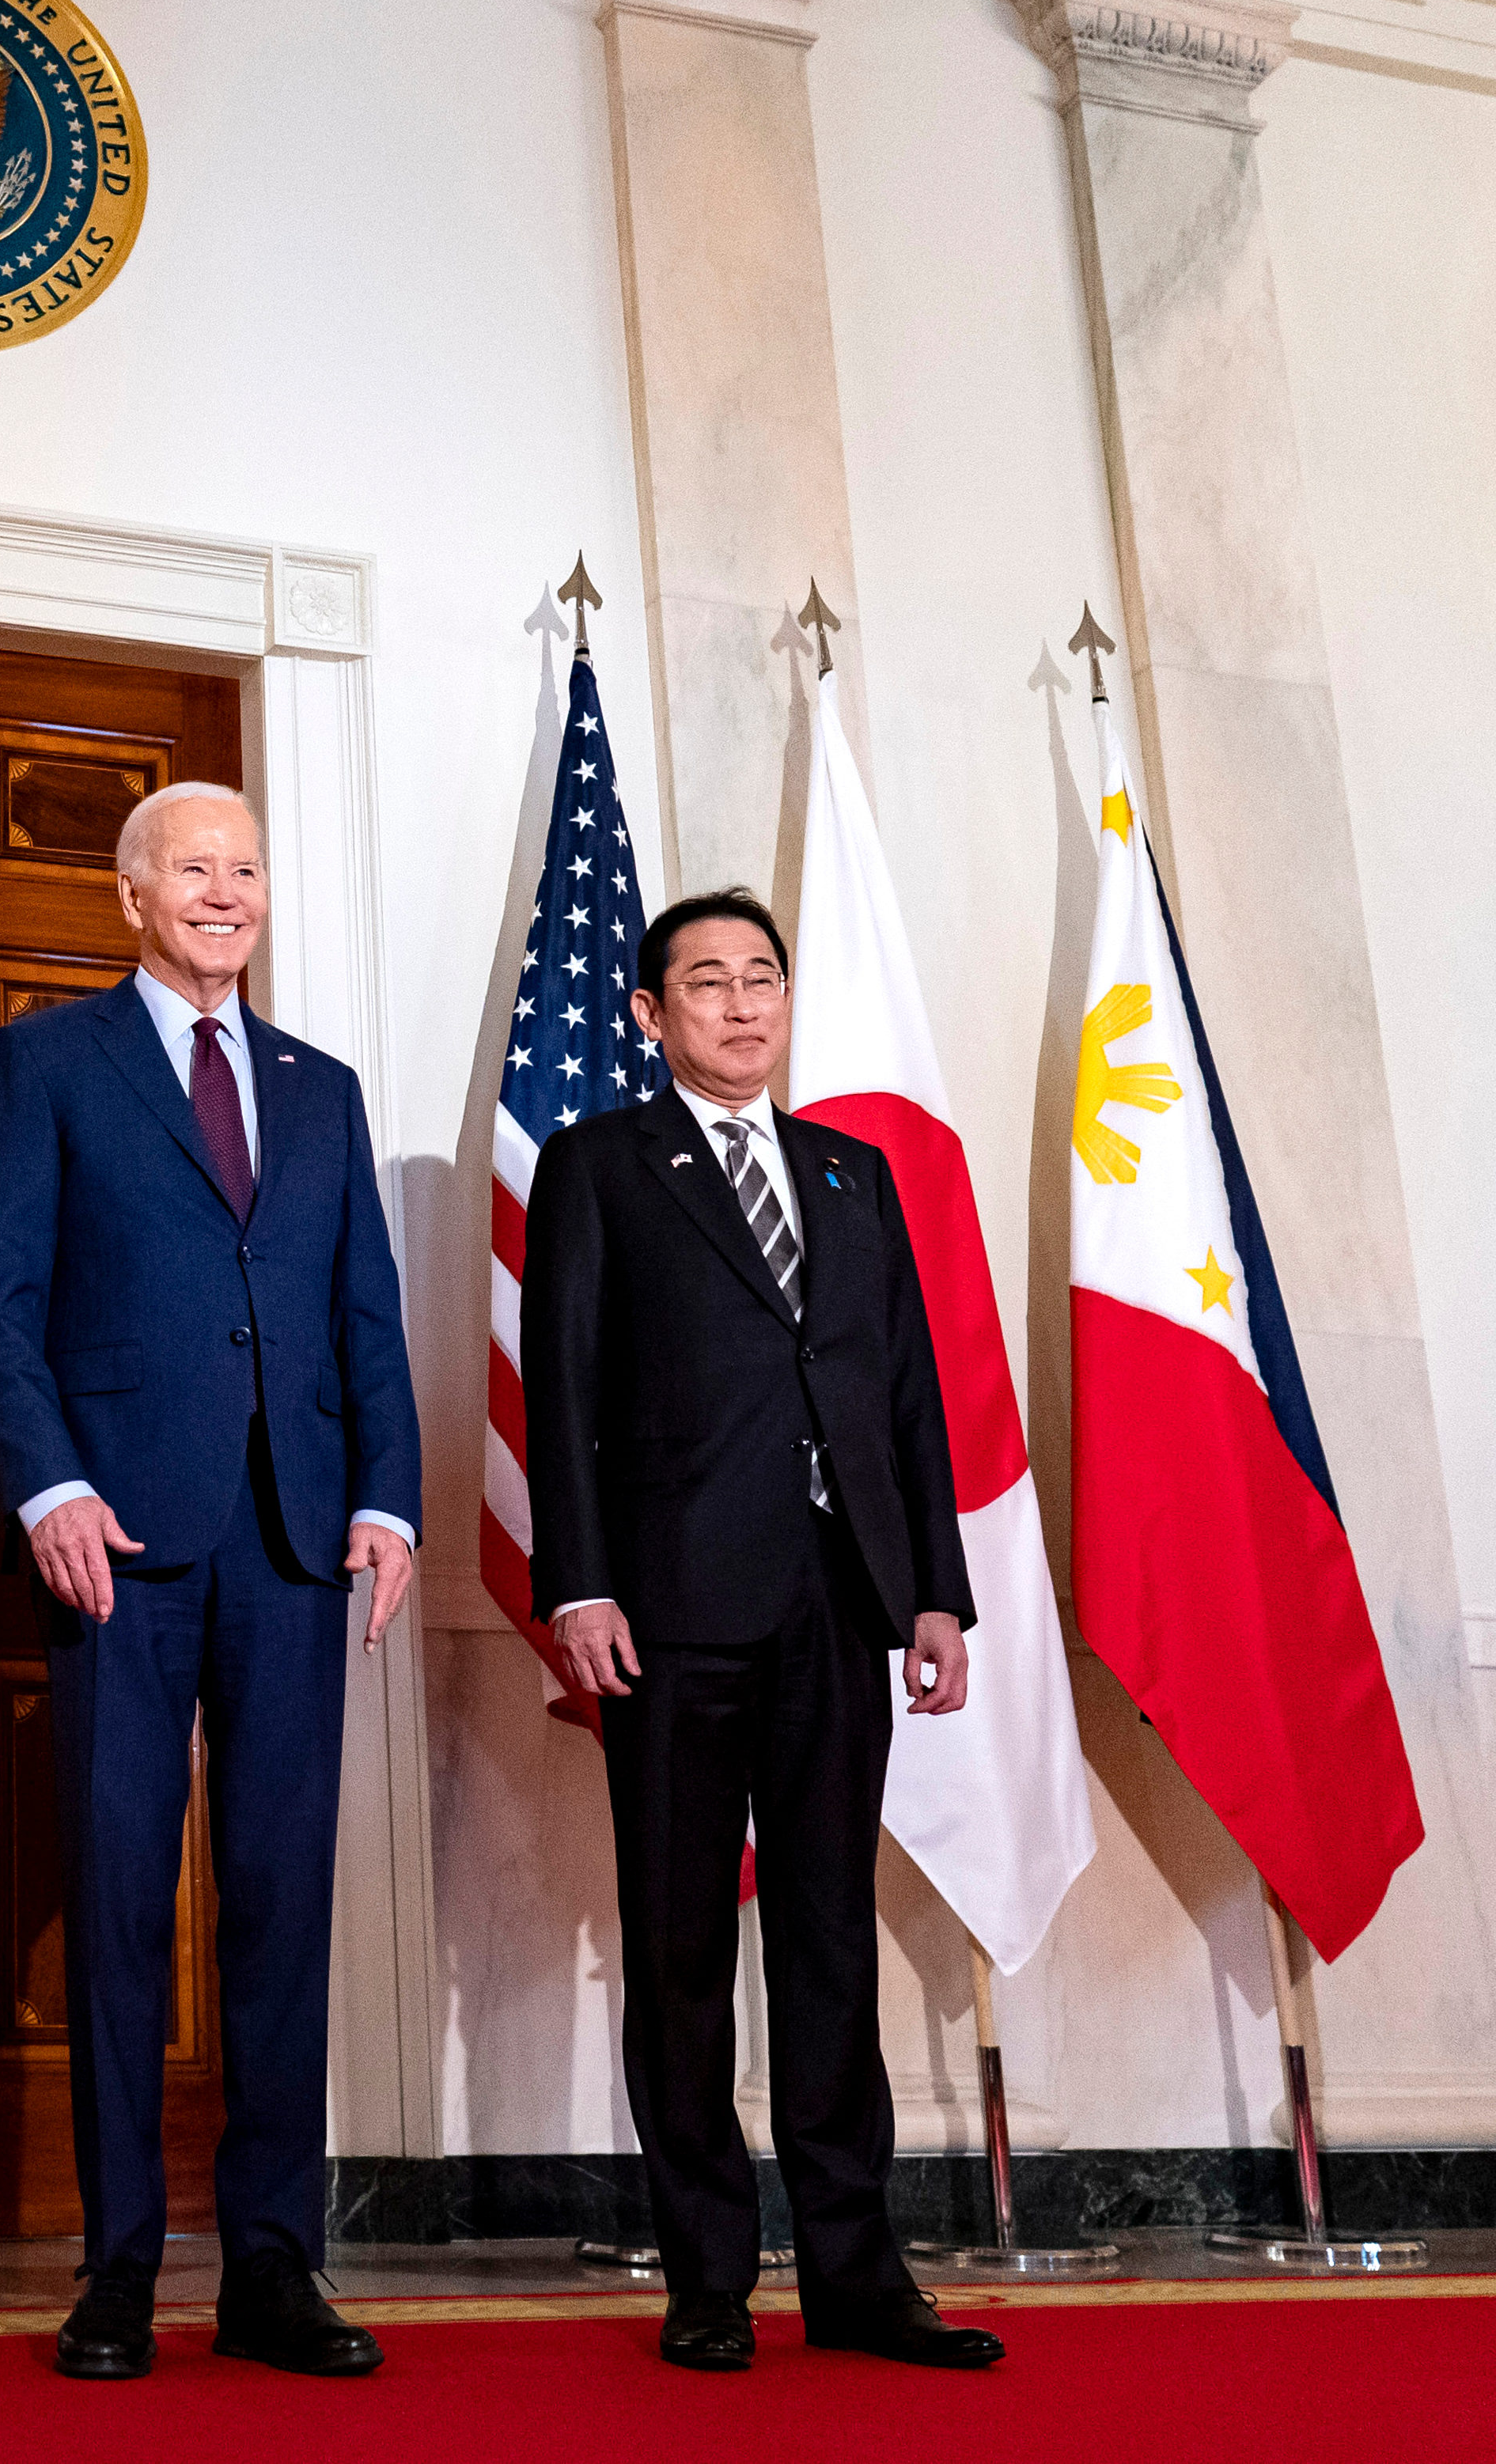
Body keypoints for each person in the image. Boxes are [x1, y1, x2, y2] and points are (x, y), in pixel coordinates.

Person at [0, 780, 421, 2383]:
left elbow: (367, 1310)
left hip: (300, 1543)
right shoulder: (47, 1061)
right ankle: (118, 2268)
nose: (223, 892)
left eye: (243, 869)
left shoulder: (320, 1085)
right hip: (118, 1545)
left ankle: (276, 2270)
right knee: (117, 1902)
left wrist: (389, 1501)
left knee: (285, 1905)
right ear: (130, 896)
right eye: (191, 869)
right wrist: (48, 1484)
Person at [520, 887, 999, 2375]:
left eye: (761, 978)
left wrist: (933, 1588)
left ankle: (858, 2280)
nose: (741, 1004)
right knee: (676, 1950)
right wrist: (576, 1583)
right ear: (651, 1016)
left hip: (836, 1602)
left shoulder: (852, 1176)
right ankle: (707, 2276)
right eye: (706, 983)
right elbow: (562, 1389)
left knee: (824, 1945)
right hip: (665, 1608)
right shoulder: (597, 1165)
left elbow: (904, 1392)